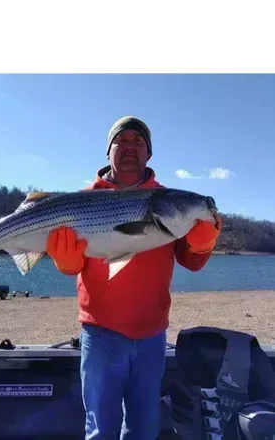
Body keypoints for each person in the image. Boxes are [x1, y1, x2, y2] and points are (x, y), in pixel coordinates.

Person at [46, 116, 222, 440]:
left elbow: (192, 262)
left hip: (152, 335)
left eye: (138, 142)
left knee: (143, 428)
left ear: (149, 153)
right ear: (108, 151)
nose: (129, 147)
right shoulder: (82, 199)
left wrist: (203, 243)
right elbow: (72, 267)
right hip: (99, 334)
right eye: (122, 141)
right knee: (100, 429)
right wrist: (66, 263)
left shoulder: (168, 200)